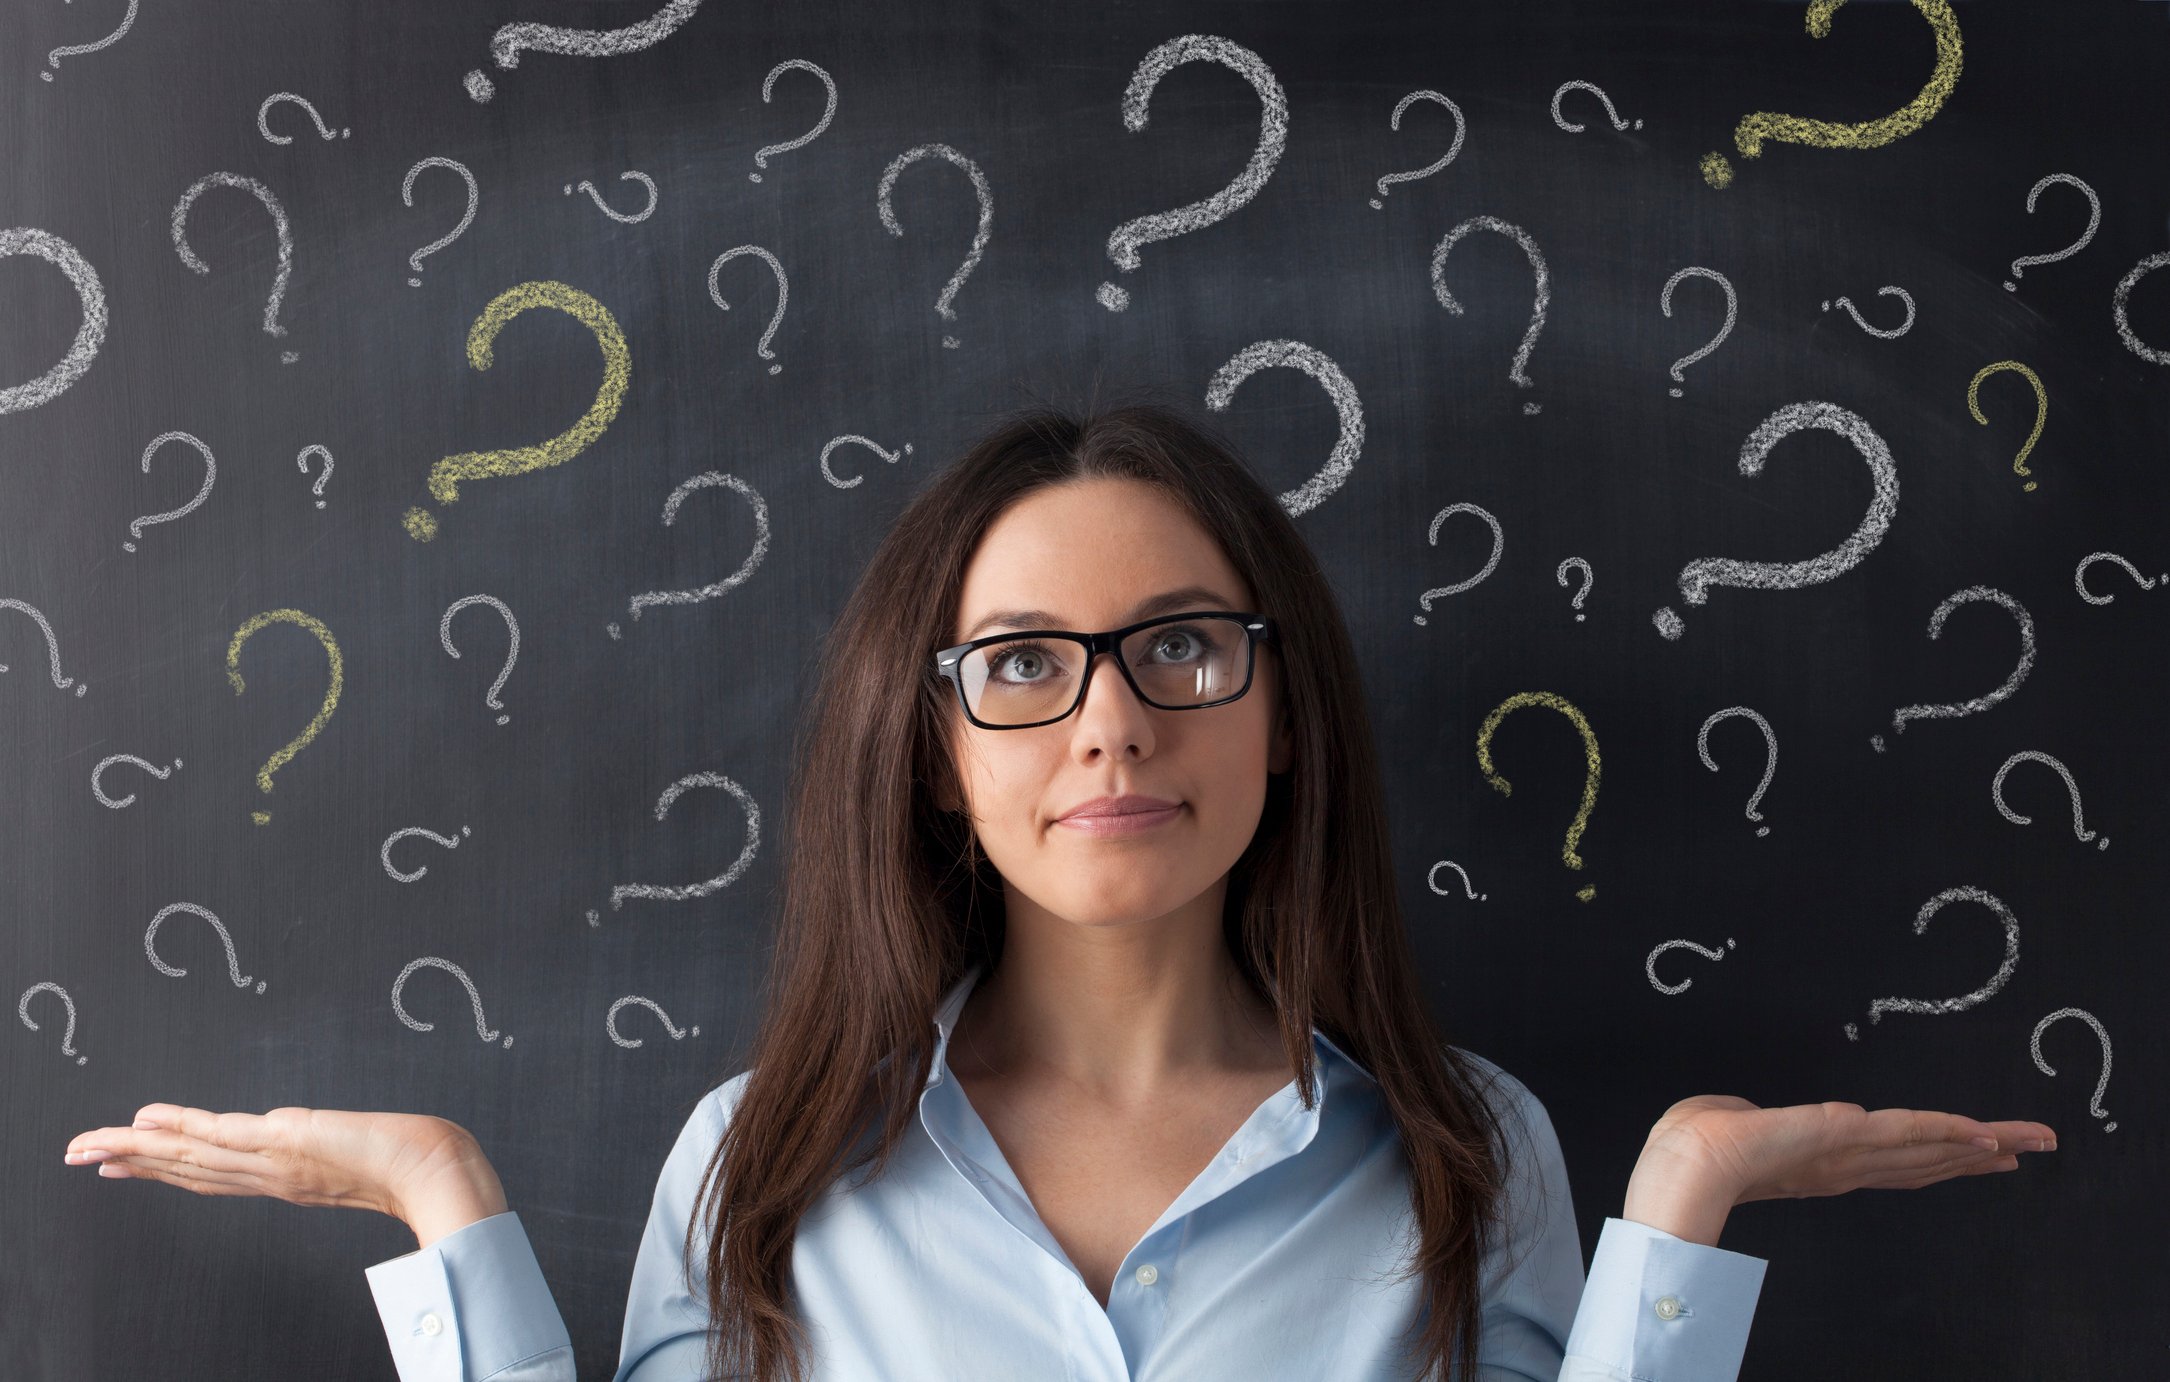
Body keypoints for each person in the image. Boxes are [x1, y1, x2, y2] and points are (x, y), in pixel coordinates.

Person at [63, 401, 2056, 1382]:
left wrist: (1682, 1202)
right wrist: (446, 1205)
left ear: (1282, 717)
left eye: (1180, 644)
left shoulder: (1473, 1155)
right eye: (1018, 664)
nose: (1109, 726)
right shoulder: (753, 1165)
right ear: (935, 749)